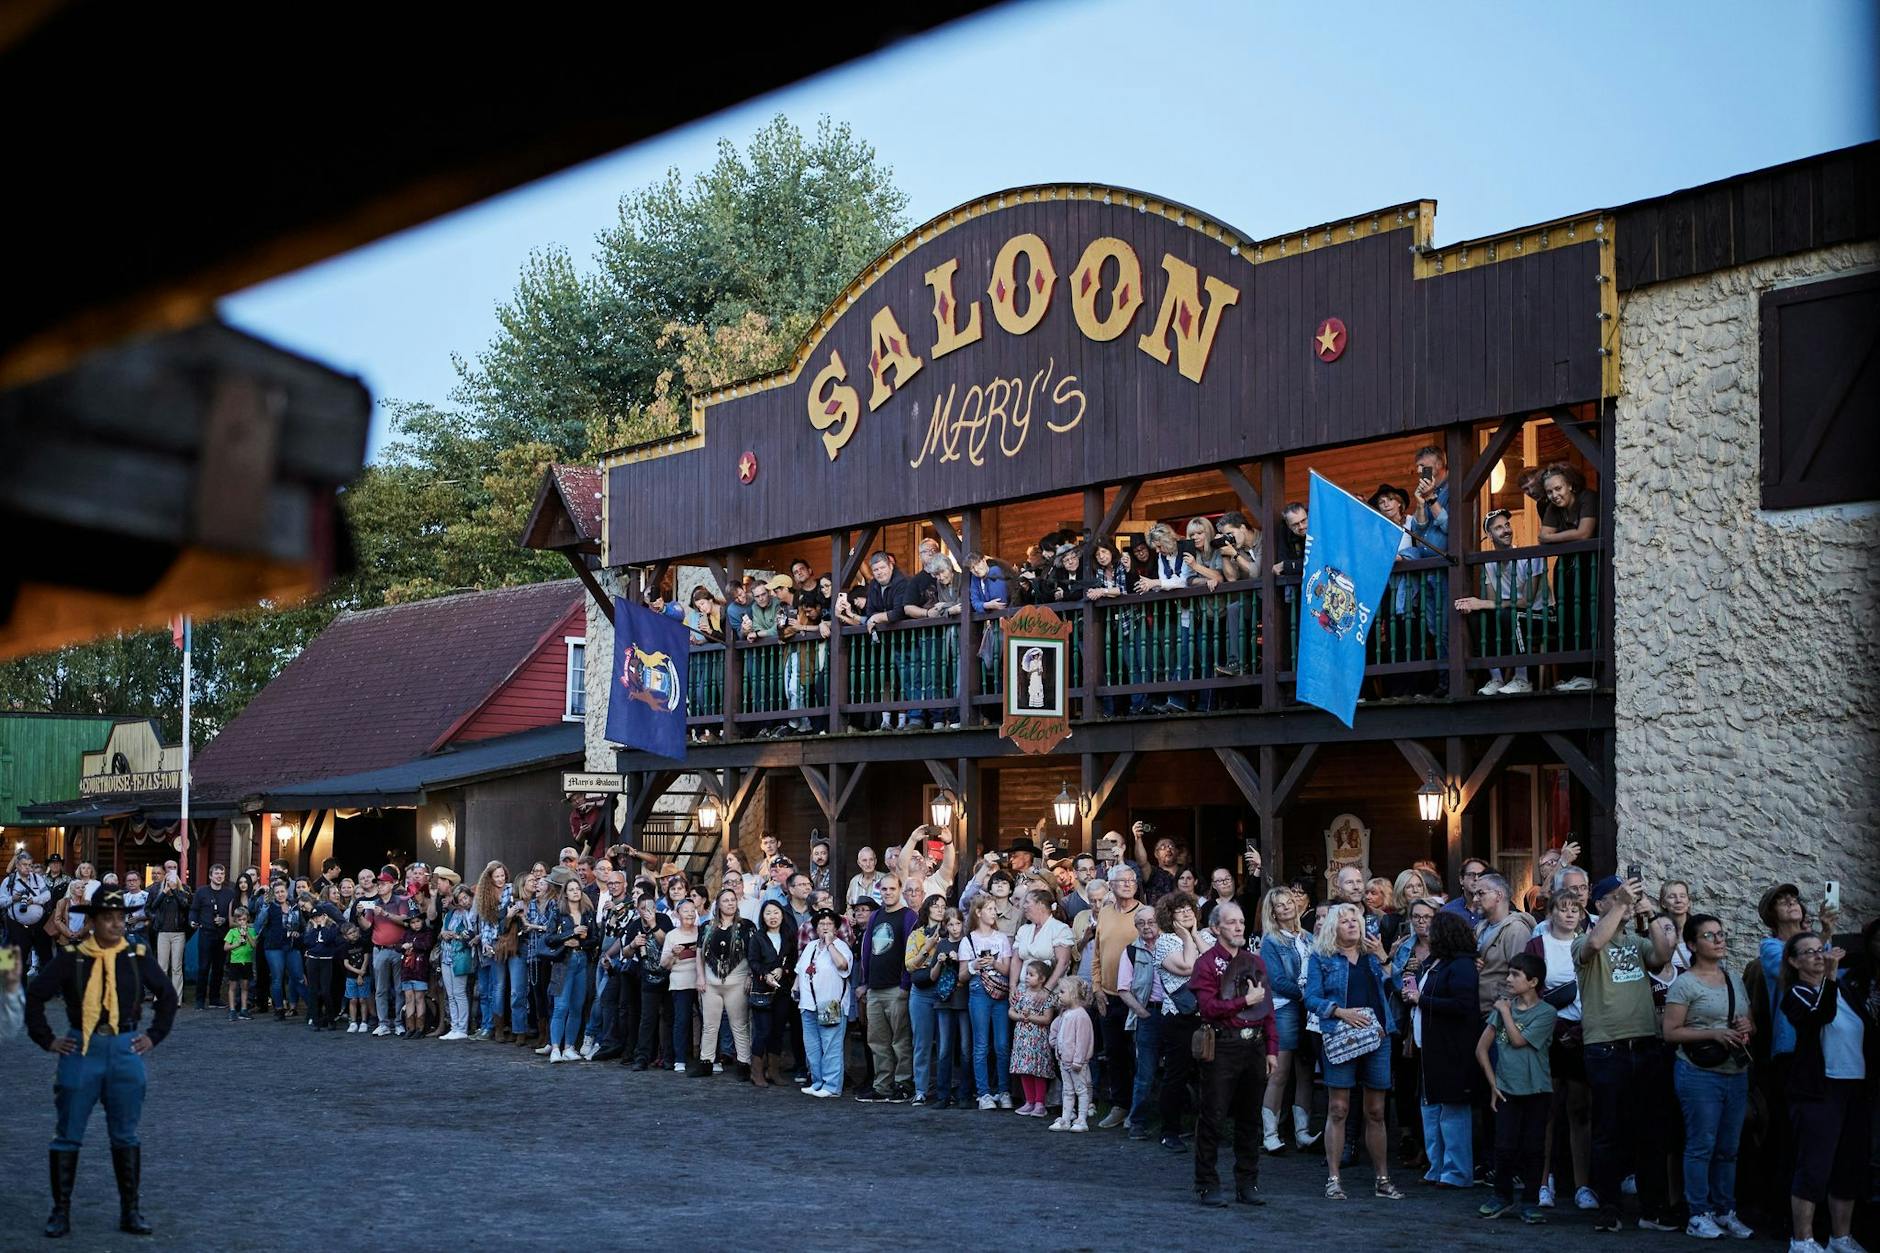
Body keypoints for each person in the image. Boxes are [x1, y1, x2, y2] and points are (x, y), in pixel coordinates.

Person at [24, 888, 178, 1237]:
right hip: (81, 1049)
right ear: (91, 922)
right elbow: (34, 996)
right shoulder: (73, 957)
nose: (115, 924)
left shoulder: (137, 955)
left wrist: (154, 1036)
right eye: (107, 918)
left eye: (121, 918)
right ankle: (60, 1211)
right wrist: (47, 1040)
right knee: (68, 1134)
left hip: (126, 1048)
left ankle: (131, 1210)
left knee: (125, 1133)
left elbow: (168, 997)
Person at [1575, 874, 1675, 1231]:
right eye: (1616, 897)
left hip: (1645, 1044)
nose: (1626, 901)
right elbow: (1595, 943)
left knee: (1651, 1131)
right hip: (1606, 1047)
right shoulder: (1581, 939)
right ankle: (1610, 1209)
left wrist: (1652, 913)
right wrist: (1621, 902)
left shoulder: (1636, 940)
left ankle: (1652, 1210)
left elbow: (1664, 955)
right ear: (1600, 904)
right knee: (1608, 1133)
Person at [1662, 913, 1756, 1239]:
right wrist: (1713, 1034)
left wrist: (1748, 1027)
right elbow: (1670, 1032)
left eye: (1720, 934)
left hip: (1736, 1072)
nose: (1719, 940)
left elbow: (1748, 1021)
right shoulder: (1685, 983)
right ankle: (1698, 1213)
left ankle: (1724, 1209)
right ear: (1692, 944)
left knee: (1729, 1146)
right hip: (1699, 1073)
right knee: (1701, 1144)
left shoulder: (1733, 979)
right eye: (1709, 936)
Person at [1779, 930, 1870, 1253]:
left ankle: (1840, 1238)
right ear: (1793, 961)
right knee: (1814, 1163)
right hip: (1820, 1088)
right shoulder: (1797, 993)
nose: (1819, 956)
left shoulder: (1846, 990)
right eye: (1809, 952)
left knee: (1849, 1164)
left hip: (1855, 1086)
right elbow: (1821, 1016)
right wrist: (1830, 978)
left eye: (1821, 950)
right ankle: (1802, 1240)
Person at [1305, 902, 1403, 1201]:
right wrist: (1339, 1012)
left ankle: (1383, 1179)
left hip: (1377, 1036)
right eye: (1345, 920)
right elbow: (1311, 998)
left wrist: (1384, 957)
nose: (1352, 924)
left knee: (1375, 1111)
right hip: (1340, 1034)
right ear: (1334, 926)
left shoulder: (1373, 956)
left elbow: (1399, 985)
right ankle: (1334, 1179)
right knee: (1338, 1108)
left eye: (1355, 920)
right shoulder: (1322, 957)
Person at [1189, 900, 1279, 1207]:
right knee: (1213, 1116)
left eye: (1241, 921)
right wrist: (1244, 1001)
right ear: (1215, 928)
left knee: (1250, 1119)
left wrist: (1271, 1049)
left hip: (1253, 1046)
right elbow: (1208, 1008)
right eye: (1231, 922)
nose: (1239, 926)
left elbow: (1267, 1009)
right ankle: (1206, 1184)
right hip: (1222, 1046)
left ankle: (1247, 1183)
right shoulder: (1205, 964)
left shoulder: (1256, 961)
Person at [1474, 952, 1557, 1222]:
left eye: (1515, 975)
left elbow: (1519, 1040)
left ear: (1532, 982)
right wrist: (1493, 1084)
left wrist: (1506, 1012)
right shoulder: (1503, 1009)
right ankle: (1502, 1196)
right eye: (1508, 973)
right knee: (1504, 1146)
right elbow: (1481, 1049)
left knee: (1534, 1147)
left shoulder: (1546, 1013)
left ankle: (1531, 1200)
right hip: (1507, 1089)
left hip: (1537, 1091)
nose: (1509, 979)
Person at [1524, 889, 1593, 1209]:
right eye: (1562, 909)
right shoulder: (1538, 945)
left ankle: (1582, 1185)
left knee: (1580, 1110)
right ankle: (1543, 1181)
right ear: (1550, 913)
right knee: (1546, 1111)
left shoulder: (1590, 945)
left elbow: (1596, 992)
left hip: (1581, 1035)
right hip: (1548, 1035)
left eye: (1574, 910)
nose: (1568, 914)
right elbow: (1527, 992)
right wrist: (1554, 1028)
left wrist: (1579, 1031)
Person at [1405, 910, 1481, 1188]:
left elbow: (1463, 1005)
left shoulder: (1460, 966)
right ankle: (1437, 1167)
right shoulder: (1441, 963)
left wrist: (1422, 1000)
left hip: (1452, 1049)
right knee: (1432, 1109)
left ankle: (1457, 1172)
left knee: (1452, 1110)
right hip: (1433, 1049)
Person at [1454, 507, 1548, 695]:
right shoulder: (1490, 563)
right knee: (1479, 617)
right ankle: (1496, 678)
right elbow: (1491, 602)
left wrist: (1482, 603)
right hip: (1509, 616)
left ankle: (1523, 679)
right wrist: (1476, 606)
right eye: (1498, 528)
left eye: (1507, 525)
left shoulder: (1529, 557)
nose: (1506, 530)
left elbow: (1526, 602)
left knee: (1507, 615)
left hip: (1541, 616)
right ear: (1489, 535)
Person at [1259, 884, 1322, 1155]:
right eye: (1279, 905)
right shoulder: (1271, 941)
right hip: (1286, 1008)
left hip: (1308, 1011)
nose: (1286, 907)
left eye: (1289, 902)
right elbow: (1276, 981)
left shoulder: (1308, 937)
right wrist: (1308, 994)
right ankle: (1270, 1134)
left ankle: (1302, 1133)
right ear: (1271, 912)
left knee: (1306, 1070)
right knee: (1280, 1071)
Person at [1536, 463, 1599, 690]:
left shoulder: (1587, 498)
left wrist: (1553, 538)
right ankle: (1572, 675)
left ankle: (1588, 674)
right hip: (1567, 567)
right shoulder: (1553, 508)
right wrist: (1559, 536)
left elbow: (1584, 533)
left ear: (1570, 485)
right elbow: (1542, 533)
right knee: (1568, 617)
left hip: (1589, 567)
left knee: (1587, 617)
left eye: (1558, 488)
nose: (1554, 495)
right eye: (1550, 492)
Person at [856, 874, 916, 1101]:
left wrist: (905, 984)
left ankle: (903, 1084)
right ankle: (882, 1085)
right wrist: (866, 983)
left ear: (900, 889)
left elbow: (910, 951)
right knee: (877, 1041)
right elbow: (867, 949)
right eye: (884, 889)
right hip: (875, 988)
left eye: (892, 888)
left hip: (896, 988)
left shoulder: (908, 916)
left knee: (900, 1040)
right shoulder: (876, 916)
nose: (888, 892)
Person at [1092, 863, 1143, 1127]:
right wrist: (1097, 988)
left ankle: (1137, 1108)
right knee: (1114, 1053)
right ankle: (1120, 1105)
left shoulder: (1145, 914)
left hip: (1136, 998)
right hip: (1108, 996)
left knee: (1137, 1054)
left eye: (1132, 880)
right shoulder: (1105, 913)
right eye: (1122, 881)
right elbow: (1098, 955)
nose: (1127, 884)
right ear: (1110, 885)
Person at [961, 894, 1014, 1110]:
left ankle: (1004, 1090)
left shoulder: (1001, 938)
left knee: (1002, 1044)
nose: (994, 913)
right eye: (990, 909)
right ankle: (983, 1093)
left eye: (994, 909)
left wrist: (993, 962)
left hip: (1000, 993)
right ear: (978, 912)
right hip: (978, 992)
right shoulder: (968, 940)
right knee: (981, 1045)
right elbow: (962, 976)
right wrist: (975, 964)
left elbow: (1008, 970)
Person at [695, 887, 755, 1079]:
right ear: (718, 905)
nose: (730, 903)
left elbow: (753, 954)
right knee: (710, 1025)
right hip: (711, 982)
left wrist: (750, 976)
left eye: (733, 900)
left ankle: (744, 1064)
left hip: (737, 982)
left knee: (739, 1024)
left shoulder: (747, 926)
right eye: (726, 900)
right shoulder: (706, 927)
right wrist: (700, 976)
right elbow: (699, 953)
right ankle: (706, 1062)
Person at [795, 907, 853, 1097]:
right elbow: (800, 969)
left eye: (829, 924)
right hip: (808, 1004)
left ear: (836, 928)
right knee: (812, 1046)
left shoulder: (841, 946)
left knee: (831, 1046)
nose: (825, 927)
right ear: (816, 928)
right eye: (822, 924)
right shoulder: (810, 946)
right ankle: (817, 1082)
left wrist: (830, 945)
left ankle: (832, 1086)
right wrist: (795, 987)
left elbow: (843, 965)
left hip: (831, 1004)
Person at [747, 899, 795, 1088]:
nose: (772, 917)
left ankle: (773, 1071)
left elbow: (793, 960)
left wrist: (785, 970)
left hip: (782, 990)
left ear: (782, 915)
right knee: (763, 1031)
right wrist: (765, 974)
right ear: (762, 916)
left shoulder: (788, 936)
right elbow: (753, 961)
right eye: (768, 913)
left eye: (776, 912)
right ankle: (756, 1072)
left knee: (777, 1031)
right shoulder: (757, 937)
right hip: (762, 990)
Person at [1007, 959, 1057, 1116]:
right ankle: (1029, 1101)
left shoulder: (1046, 998)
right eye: (1026, 974)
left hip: (1038, 1040)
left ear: (1042, 979)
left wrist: (1030, 1018)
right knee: (1024, 1069)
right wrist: (1021, 1017)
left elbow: (1047, 1019)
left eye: (1031, 975)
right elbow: (1011, 1012)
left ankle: (1040, 1103)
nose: (1027, 977)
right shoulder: (1021, 993)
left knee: (1038, 1070)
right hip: (1022, 1039)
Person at [1048, 976, 1095, 1131]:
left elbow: (1083, 1041)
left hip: (1076, 1063)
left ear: (1073, 994)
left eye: (1062, 992)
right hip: (1064, 1061)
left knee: (1081, 1091)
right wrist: (1056, 1046)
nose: (1059, 995)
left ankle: (1082, 1119)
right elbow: (1059, 1031)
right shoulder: (1065, 1013)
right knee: (1067, 1091)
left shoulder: (1081, 1016)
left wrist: (1078, 1060)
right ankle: (1066, 1118)